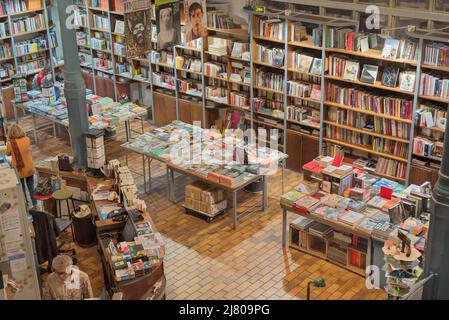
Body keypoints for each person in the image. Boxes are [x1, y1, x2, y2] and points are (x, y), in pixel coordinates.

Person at [6, 124, 37, 207]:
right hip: (29, 168)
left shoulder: (10, 143)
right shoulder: (27, 139)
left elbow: (7, 153)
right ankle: (35, 206)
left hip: (18, 170)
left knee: (22, 190)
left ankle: (25, 207)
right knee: (31, 189)